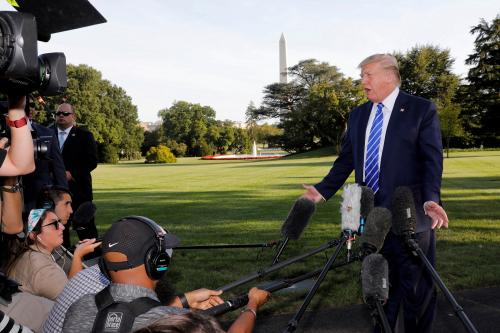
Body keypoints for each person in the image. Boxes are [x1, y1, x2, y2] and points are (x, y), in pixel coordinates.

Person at [302, 54, 449, 333]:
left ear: (390, 76)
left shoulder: (420, 110)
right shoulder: (358, 115)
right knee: (379, 292)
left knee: (418, 294)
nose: (362, 81)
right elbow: (346, 160)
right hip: (372, 222)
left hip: (411, 218)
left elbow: (432, 161)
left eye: (368, 75)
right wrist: (322, 190)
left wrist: (431, 199)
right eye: (362, 76)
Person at [61, 216, 269, 333]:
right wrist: (252, 306)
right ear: (156, 262)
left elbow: (129, 320)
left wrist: (182, 301)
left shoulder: (81, 307)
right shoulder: (180, 323)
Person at [5, 209, 100, 300]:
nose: (62, 227)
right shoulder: (42, 267)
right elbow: (71, 298)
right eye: (54, 224)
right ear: (34, 235)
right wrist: (78, 256)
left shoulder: (29, 255)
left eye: (59, 222)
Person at [55, 102, 98, 246]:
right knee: (59, 231)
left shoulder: (84, 136)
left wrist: (71, 174)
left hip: (79, 192)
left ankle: (94, 264)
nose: (61, 116)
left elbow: (92, 161)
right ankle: (62, 264)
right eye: (58, 113)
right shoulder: (47, 134)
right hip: (54, 193)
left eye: (65, 113)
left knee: (86, 231)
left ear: (73, 116)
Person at [21, 97, 68, 213]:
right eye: (26, 105)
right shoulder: (4, 132)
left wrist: (64, 196)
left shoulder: (47, 133)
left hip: (40, 197)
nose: (30, 109)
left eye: (33, 105)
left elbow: (58, 167)